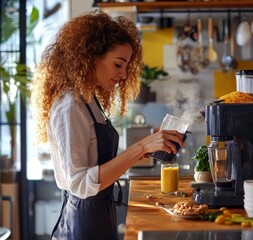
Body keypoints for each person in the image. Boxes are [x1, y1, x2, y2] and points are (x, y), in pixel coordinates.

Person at [30, 11, 184, 240]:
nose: (123, 74)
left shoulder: (89, 100)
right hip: (81, 225)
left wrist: (137, 153)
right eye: (118, 64)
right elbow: (81, 183)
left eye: (126, 66)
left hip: (100, 215)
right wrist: (140, 148)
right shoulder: (69, 106)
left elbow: (95, 164)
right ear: (92, 57)